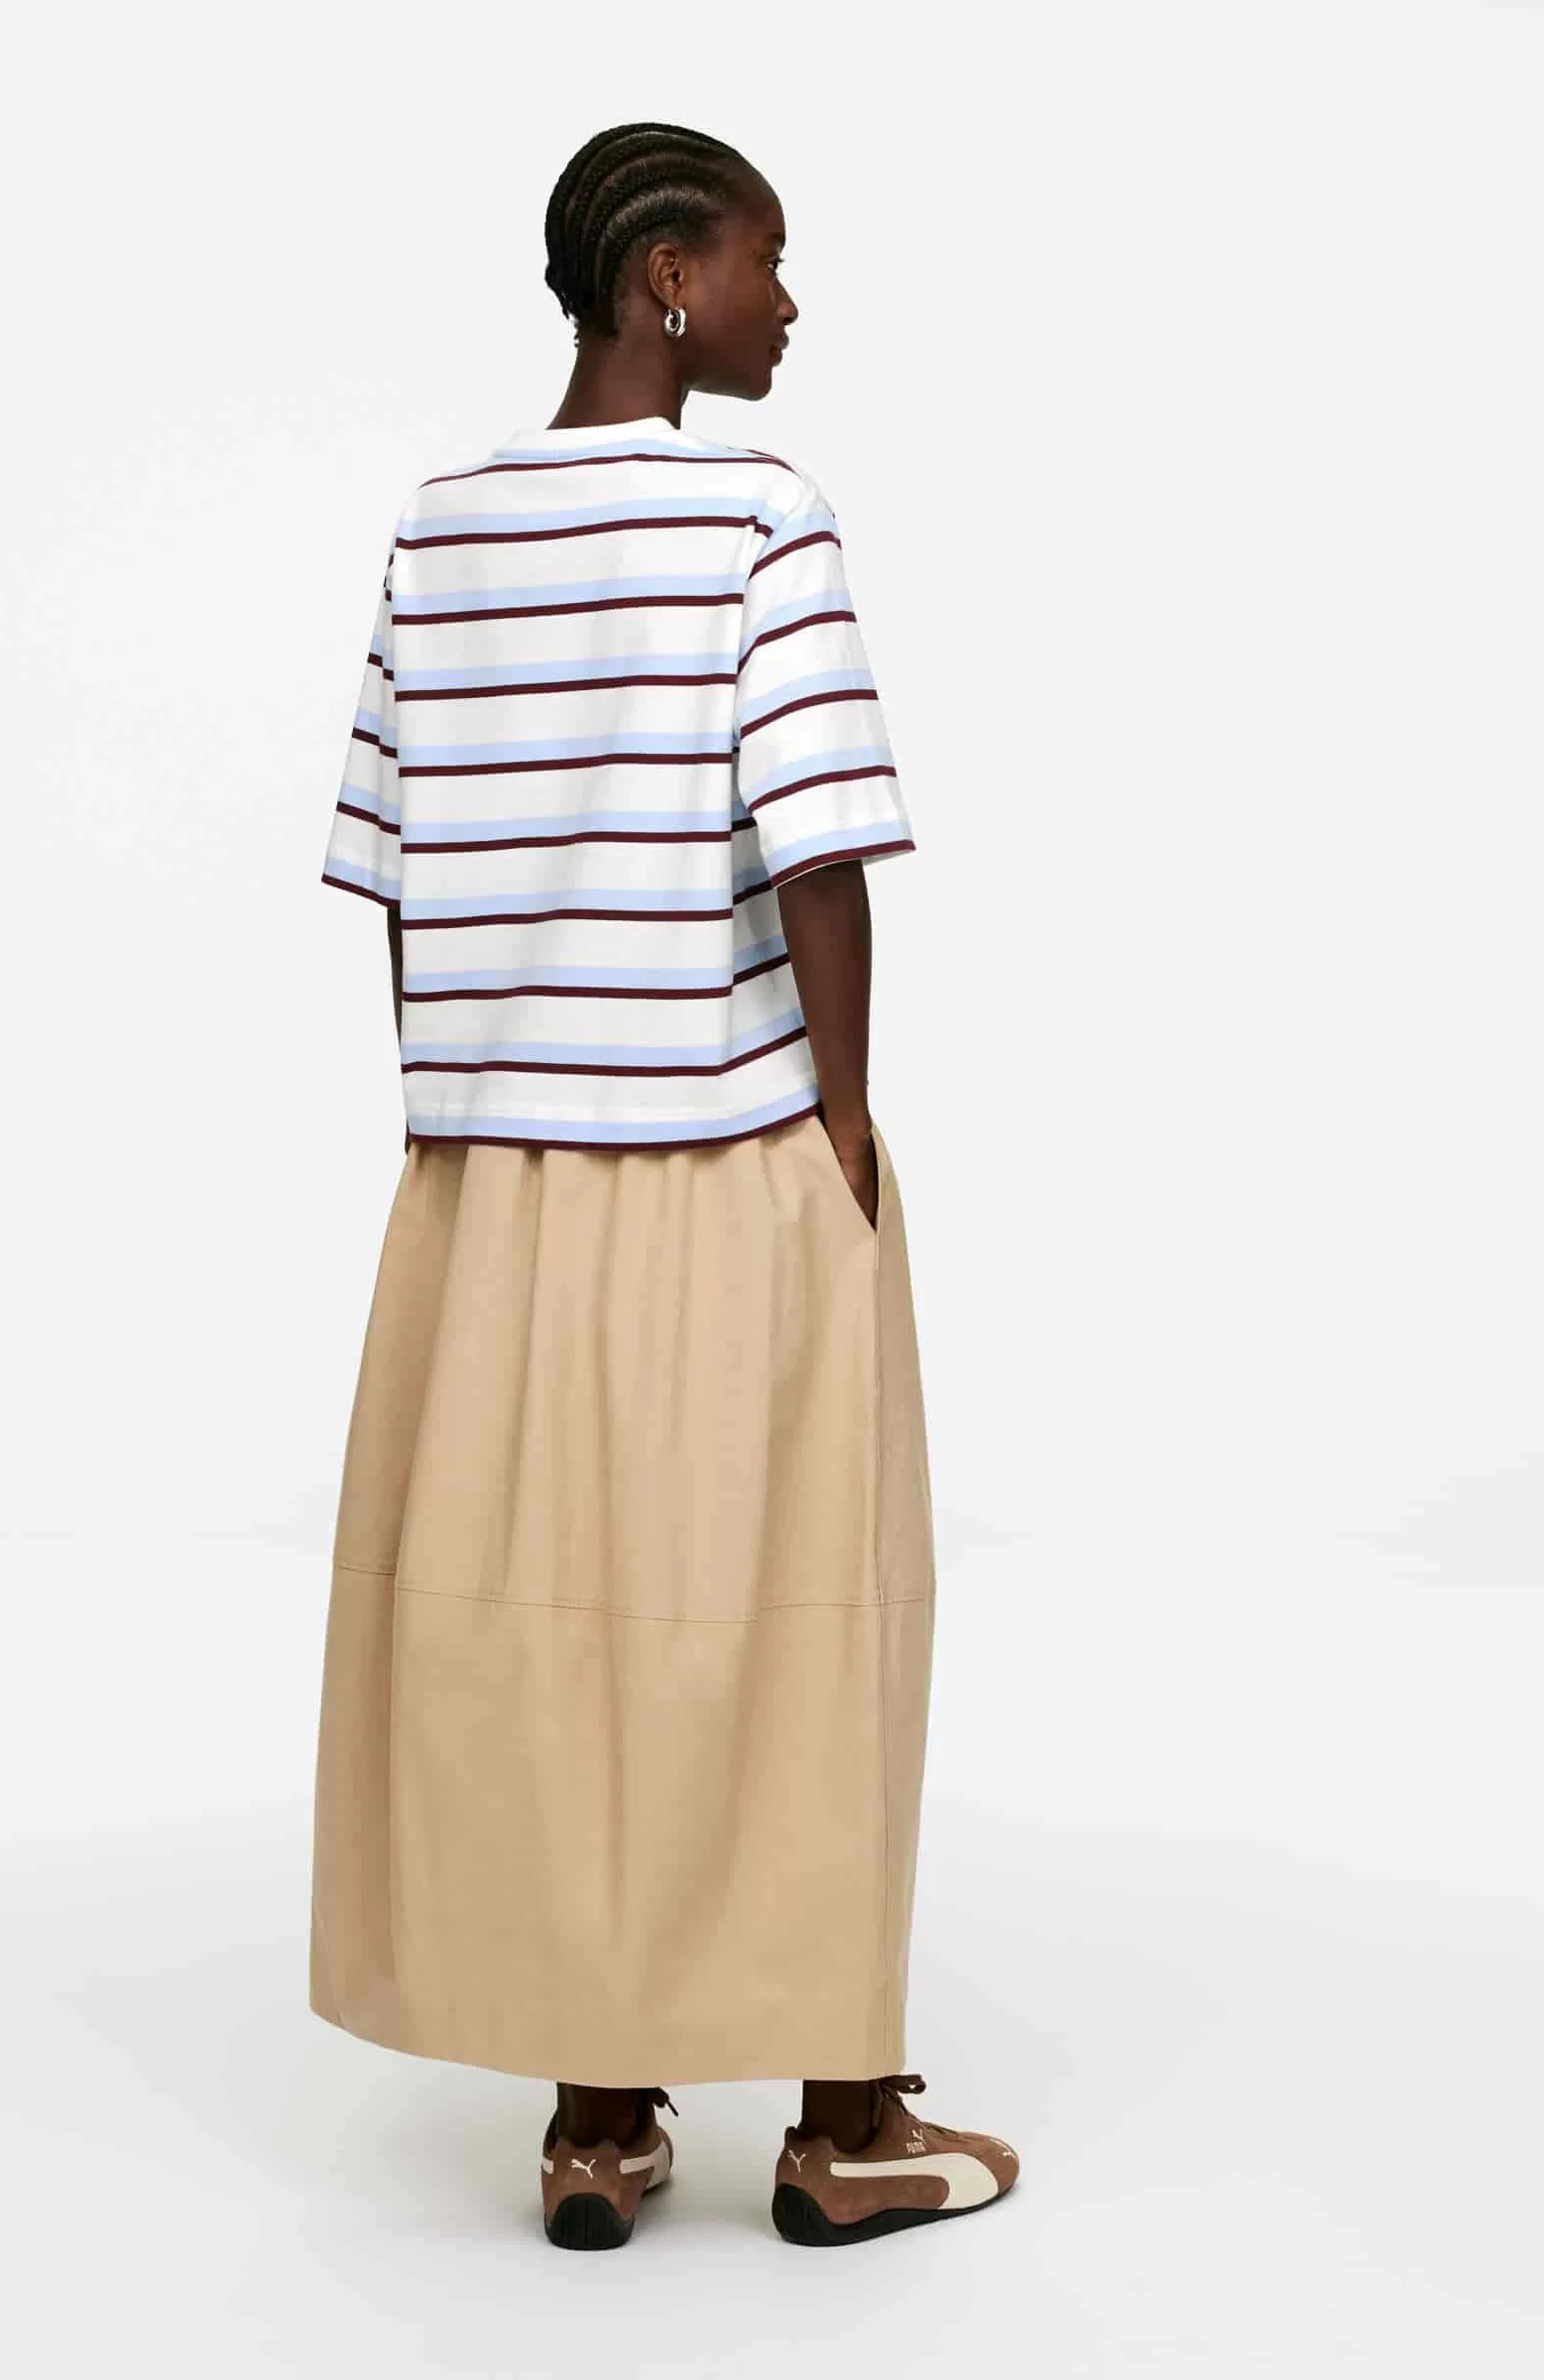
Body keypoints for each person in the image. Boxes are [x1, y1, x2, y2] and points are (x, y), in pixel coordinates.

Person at [308, 119, 1020, 2251]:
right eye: (765, 261)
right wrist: (845, 1125)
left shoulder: (441, 525)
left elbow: (395, 870)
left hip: (496, 1177)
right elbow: (820, 845)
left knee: (555, 1638)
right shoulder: (756, 512)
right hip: (724, 1146)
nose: (790, 303)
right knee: (799, 1620)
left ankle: (597, 2118)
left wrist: (459, 1115)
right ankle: (842, 2122)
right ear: (668, 282)